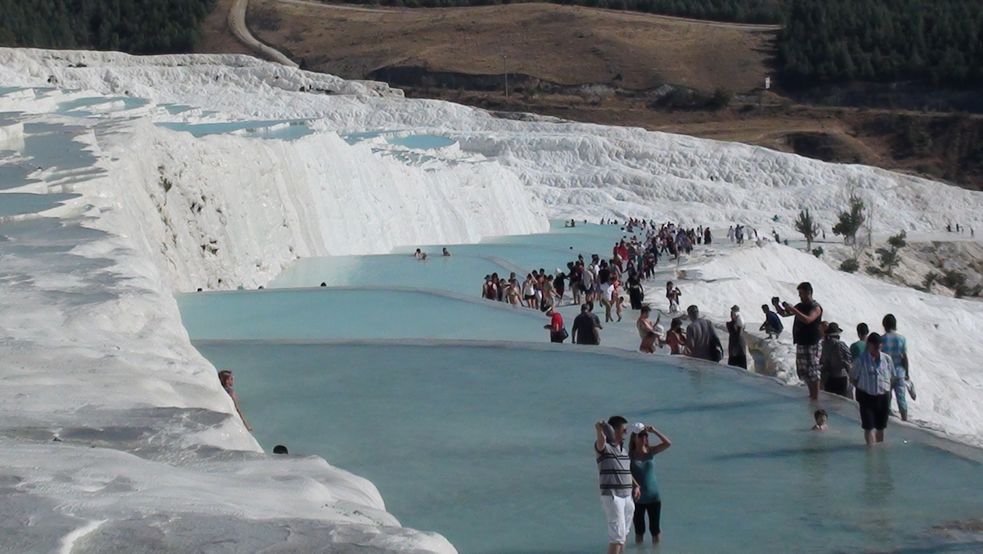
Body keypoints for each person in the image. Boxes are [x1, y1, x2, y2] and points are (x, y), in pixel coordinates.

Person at [594, 416, 639, 554]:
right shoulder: (605, 448)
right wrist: (600, 429)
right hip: (613, 496)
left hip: (627, 496)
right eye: (624, 430)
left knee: (623, 535)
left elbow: (626, 471)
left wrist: (636, 485)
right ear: (614, 431)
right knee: (616, 537)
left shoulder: (623, 451)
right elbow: (600, 441)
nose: (626, 434)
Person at [774, 282, 823, 400]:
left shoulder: (815, 307)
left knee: (813, 372)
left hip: (812, 344)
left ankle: (815, 397)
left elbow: (808, 319)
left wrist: (793, 309)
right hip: (801, 342)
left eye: (801, 293)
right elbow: (785, 314)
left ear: (808, 293)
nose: (799, 296)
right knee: (804, 371)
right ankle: (811, 394)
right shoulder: (801, 306)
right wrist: (777, 305)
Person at [850, 333, 898, 445]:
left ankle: (880, 449)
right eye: (874, 345)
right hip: (866, 396)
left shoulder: (887, 359)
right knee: (869, 426)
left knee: (881, 427)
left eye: (879, 345)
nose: (877, 347)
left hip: (883, 396)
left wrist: (887, 389)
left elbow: (892, 376)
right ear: (869, 345)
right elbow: (853, 377)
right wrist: (861, 387)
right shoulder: (861, 360)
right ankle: (871, 450)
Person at [628, 422, 671, 544]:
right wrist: (635, 485)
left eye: (645, 435)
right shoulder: (629, 455)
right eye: (641, 435)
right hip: (637, 499)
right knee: (639, 531)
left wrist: (654, 430)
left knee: (655, 530)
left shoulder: (650, 451)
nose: (644, 437)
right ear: (634, 437)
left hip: (654, 497)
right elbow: (625, 473)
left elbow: (668, 443)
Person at [881, 314, 915, 421]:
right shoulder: (901, 339)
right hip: (899, 373)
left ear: (884, 325)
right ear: (895, 324)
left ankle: (887, 420)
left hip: (886, 374)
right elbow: (904, 357)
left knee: (887, 398)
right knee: (901, 398)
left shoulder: (881, 339)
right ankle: (904, 419)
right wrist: (907, 373)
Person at [819, 322, 852, 398]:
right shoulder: (840, 344)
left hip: (828, 376)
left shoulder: (823, 344)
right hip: (840, 376)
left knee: (830, 401)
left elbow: (821, 360)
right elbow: (849, 358)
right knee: (841, 401)